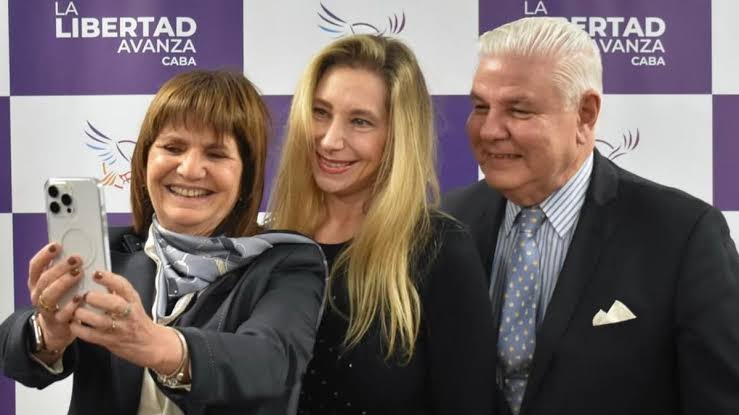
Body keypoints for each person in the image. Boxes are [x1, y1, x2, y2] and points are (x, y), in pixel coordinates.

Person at [443, 16, 739, 415]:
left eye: (519, 110)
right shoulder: (446, 222)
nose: (489, 130)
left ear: (585, 113)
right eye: (481, 107)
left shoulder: (682, 236)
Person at [0, 70, 327, 415]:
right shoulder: (110, 251)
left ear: (246, 174)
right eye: (173, 148)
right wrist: (48, 332)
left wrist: (155, 344)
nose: (189, 169)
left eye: (216, 154)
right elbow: (12, 352)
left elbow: (271, 364)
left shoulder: (288, 261)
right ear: (144, 160)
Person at [267, 34, 498, 414]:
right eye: (321, 112)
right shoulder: (273, 244)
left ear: (397, 136)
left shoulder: (438, 250)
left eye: (360, 121)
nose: (330, 140)